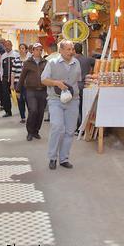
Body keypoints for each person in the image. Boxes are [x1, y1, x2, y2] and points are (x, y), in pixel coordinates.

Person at [40, 40, 81, 170]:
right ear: (61, 51)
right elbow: (43, 80)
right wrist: (56, 83)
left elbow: (77, 80)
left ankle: (64, 159)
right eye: (68, 49)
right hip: (55, 99)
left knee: (69, 130)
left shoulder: (76, 62)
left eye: (72, 49)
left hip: (73, 100)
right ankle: (52, 157)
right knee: (57, 127)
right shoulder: (52, 63)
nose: (71, 52)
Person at [17, 43, 48, 141]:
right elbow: (22, 77)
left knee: (40, 112)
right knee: (33, 110)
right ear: (32, 51)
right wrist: (18, 90)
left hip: (43, 91)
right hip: (30, 91)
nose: (39, 51)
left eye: (40, 50)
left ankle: (36, 131)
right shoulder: (27, 63)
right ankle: (30, 131)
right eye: (37, 50)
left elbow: (49, 76)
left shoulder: (45, 63)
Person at [73, 42, 96, 130]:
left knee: (76, 108)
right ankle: (83, 128)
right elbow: (97, 63)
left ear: (74, 50)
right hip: (85, 85)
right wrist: (92, 72)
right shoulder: (88, 59)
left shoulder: (71, 60)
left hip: (75, 86)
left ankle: (78, 128)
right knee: (83, 107)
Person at [0, 40, 22, 118]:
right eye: (6, 45)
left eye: (9, 45)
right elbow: (1, 68)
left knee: (18, 95)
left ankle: (21, 110)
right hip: (5, 79)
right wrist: (2, 77)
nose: (7, 46)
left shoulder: (16, 55)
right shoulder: (3, 56)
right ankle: (8, 111)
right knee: (5, 95)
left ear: (12, 45)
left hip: (15, 79)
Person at [16, 43, 30, 123]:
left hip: (27, 84)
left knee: (28, 100)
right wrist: (11, 84)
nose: (21, 50)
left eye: (23, 48)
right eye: (20, 48)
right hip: (18, 84)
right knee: (20, 100)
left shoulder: (29, 60)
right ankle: (23, 117)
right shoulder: (16, 60)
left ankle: (30, 116)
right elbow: (13, 72)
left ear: (26, 50)